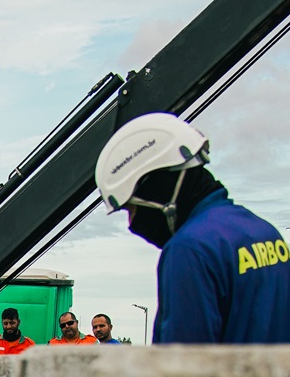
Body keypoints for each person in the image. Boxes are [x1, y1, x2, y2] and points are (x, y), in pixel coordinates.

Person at [94, 112, 290, 344]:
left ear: (156, 189)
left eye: (130, 209)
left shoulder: (189, 250)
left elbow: (182, 366)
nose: (131, 224)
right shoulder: (266, 232)